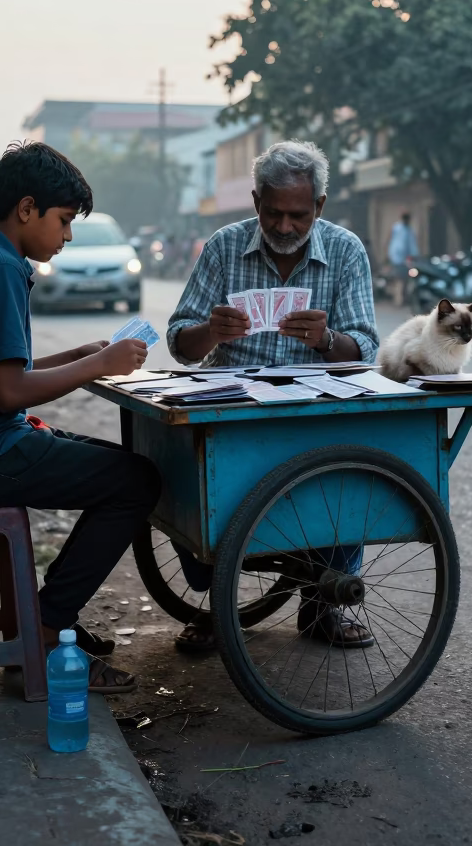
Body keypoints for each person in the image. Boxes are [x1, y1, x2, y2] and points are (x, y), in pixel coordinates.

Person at [0, 141, 161, 694]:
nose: (66, 236)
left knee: (120, 466)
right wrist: (100, 364)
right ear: (26, 209)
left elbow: (0, 368)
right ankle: (42, 632)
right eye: (63, 221)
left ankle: (46, 619)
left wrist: (82, 358)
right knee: (138, 483)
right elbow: (8, 391)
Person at [166, 140, 379, 652]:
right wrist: (210, 333)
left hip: (315, 415)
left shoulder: (346, 250)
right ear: (257, 201)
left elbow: (365, 349)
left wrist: (328, 341)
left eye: (298, 216)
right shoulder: (222, 246)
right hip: (234, 413)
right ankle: (218, 601)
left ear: (319, 208)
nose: (285, 227)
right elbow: (180, 342)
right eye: (274, 213)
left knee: (354, 460)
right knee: (190, 479)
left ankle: (323, 602)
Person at [386, 212, 419, 304]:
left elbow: (411, 244)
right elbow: (397, 243)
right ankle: (398, 299)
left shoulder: (407, 229)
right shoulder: (398, 228)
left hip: (403, 258)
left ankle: (400, 298)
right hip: (398, 258)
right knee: (400, 279)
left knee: (404, 279)